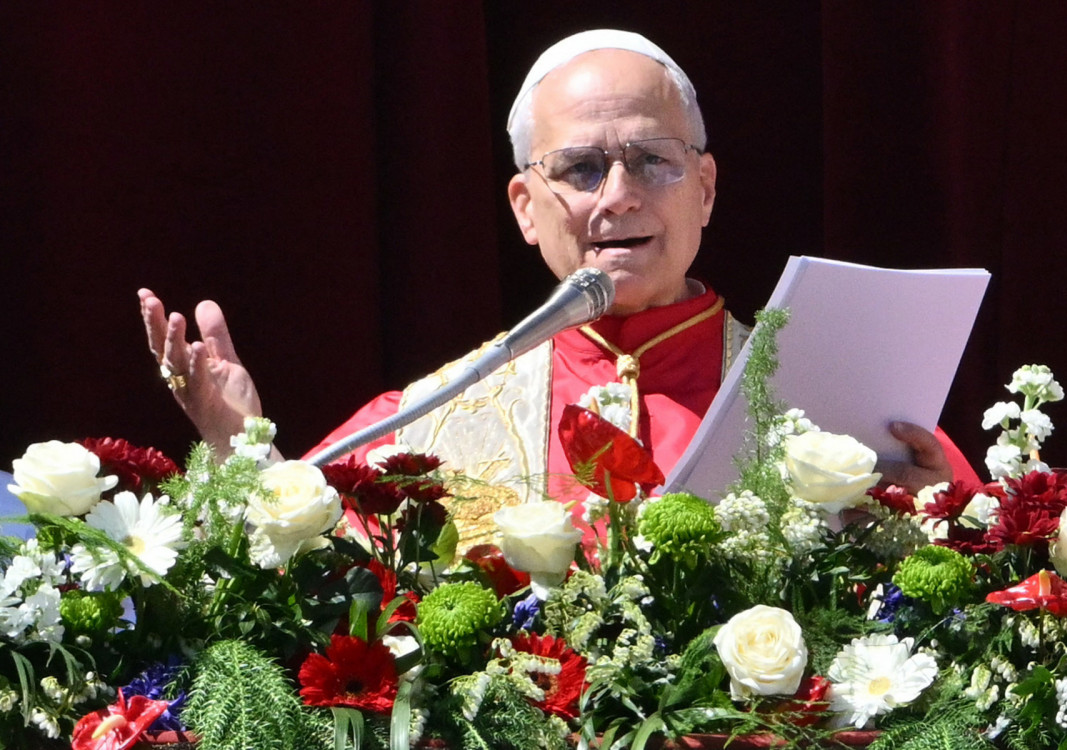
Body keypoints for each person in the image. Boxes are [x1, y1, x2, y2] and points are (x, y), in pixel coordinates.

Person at [140, 30, 974, 532]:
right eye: (579, 168)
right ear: (525, 209)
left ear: (708, 188)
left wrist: (933, 517)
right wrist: (237, 443)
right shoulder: (441, 416)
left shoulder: (831, 395)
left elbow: (993, 559)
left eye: (654, 160)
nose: (619, 196)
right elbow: (301, 549)